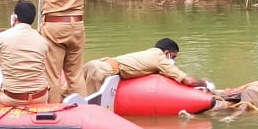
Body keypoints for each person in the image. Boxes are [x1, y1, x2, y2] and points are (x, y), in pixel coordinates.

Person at [80, 38, 212, 96]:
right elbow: (188, 80)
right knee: (91, 106)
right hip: (102, 71)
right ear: (167, 53)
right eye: (174, 57)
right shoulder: (161, 58)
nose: (173, 60)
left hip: (95, 64)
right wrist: (205, 83)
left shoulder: (150, 53)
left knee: (65, 93)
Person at [0, 0, 51, 106]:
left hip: (13, 98)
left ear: (14, 17)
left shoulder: (1, 36)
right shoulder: (43, 40)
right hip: (41, 97)